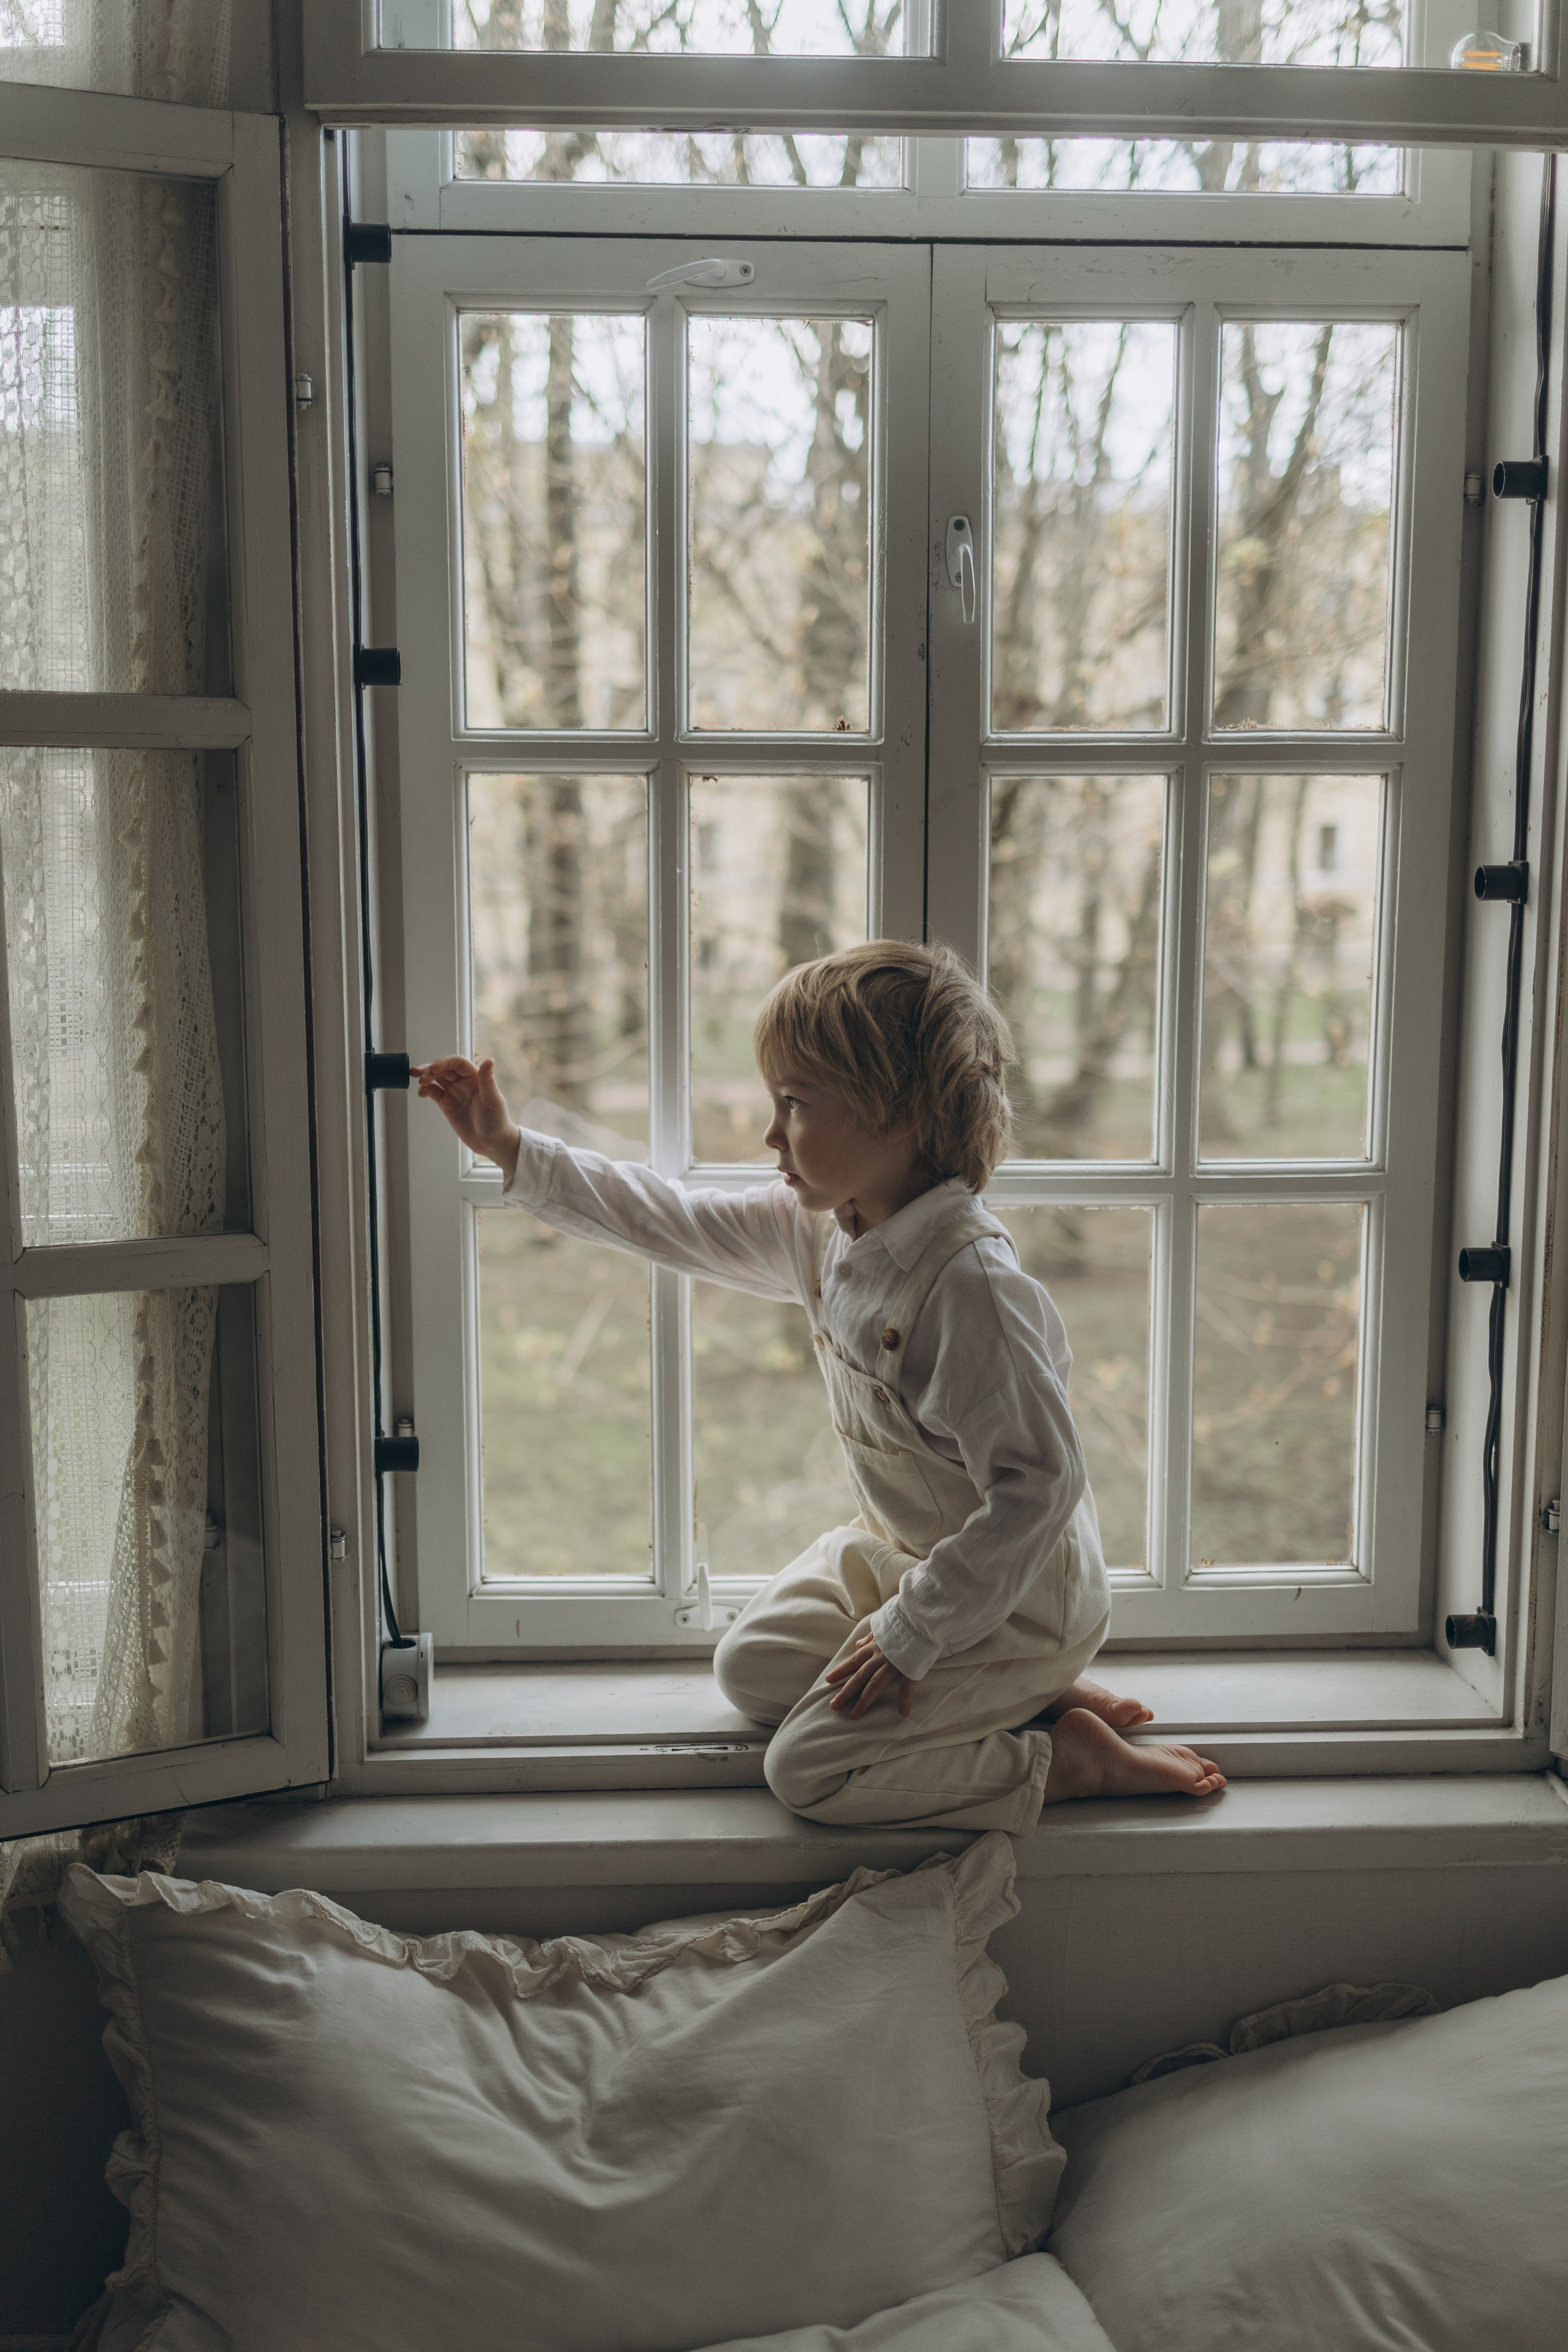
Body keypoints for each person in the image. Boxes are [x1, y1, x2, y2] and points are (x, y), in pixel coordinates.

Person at [415, 940, 1225, 1834]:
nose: (770, 1134)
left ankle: (1057, 1757)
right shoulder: (825, 1228)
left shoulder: (972, 1291)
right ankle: (1014, 1691)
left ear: (900, 1113)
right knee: (751, 1670)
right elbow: (667, 1217)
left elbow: (1041, 1488)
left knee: (805, 1771)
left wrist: (914, 1633)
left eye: (794, 1104)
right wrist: (510, 1147)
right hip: (908, 1558)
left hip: (1025, 1598)